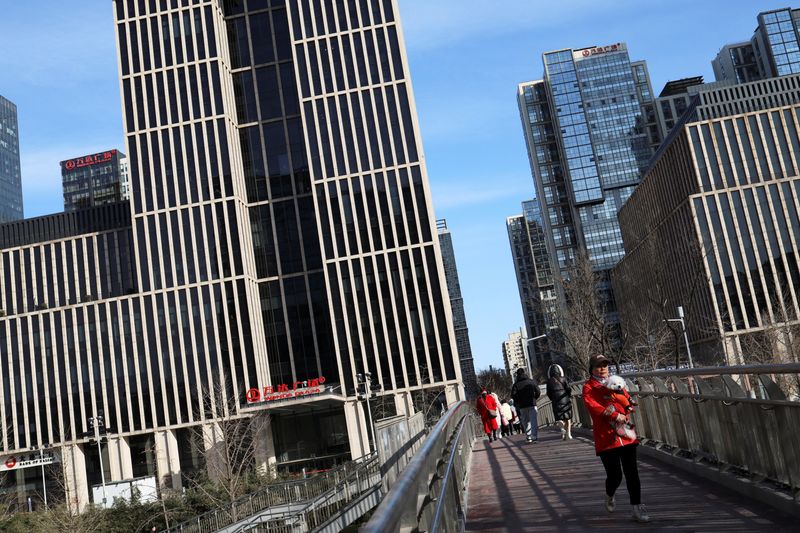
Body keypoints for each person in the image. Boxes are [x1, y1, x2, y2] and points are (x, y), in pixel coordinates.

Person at [583, 354, 651, 523]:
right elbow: (593, 407)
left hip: (625, 434)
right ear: (591, 369)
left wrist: (627, 410)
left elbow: (625, 399)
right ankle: (610, 494)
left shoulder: (616, 381)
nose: (603, 368)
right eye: (598, 365)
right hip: (606, 438)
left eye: (605, 365)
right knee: (615, 475)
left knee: (632, 472)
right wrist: (614, 415)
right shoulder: (589, 387)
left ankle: (637, 507)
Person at [511, 368, 540, 443]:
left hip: (522, 406)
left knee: (525, 421)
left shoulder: (516, 384)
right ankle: (534, 437)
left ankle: (528, 437)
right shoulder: (531, 381)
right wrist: (534, 398)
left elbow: (513, 395)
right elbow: (538, 391)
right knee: (533, 421)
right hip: (532, 403)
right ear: (524, 373)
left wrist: (518, 401)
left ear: (517, 375)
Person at [546, 363, 573, 440]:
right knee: (568, 417)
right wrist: (569, 395)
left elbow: (548, 393)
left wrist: (552, 399)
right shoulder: (563, 378)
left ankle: (561, 427)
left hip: (555, 400)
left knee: (559, 416)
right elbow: (568, 388)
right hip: (565, 398)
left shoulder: (549, 381)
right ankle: (569, 434)